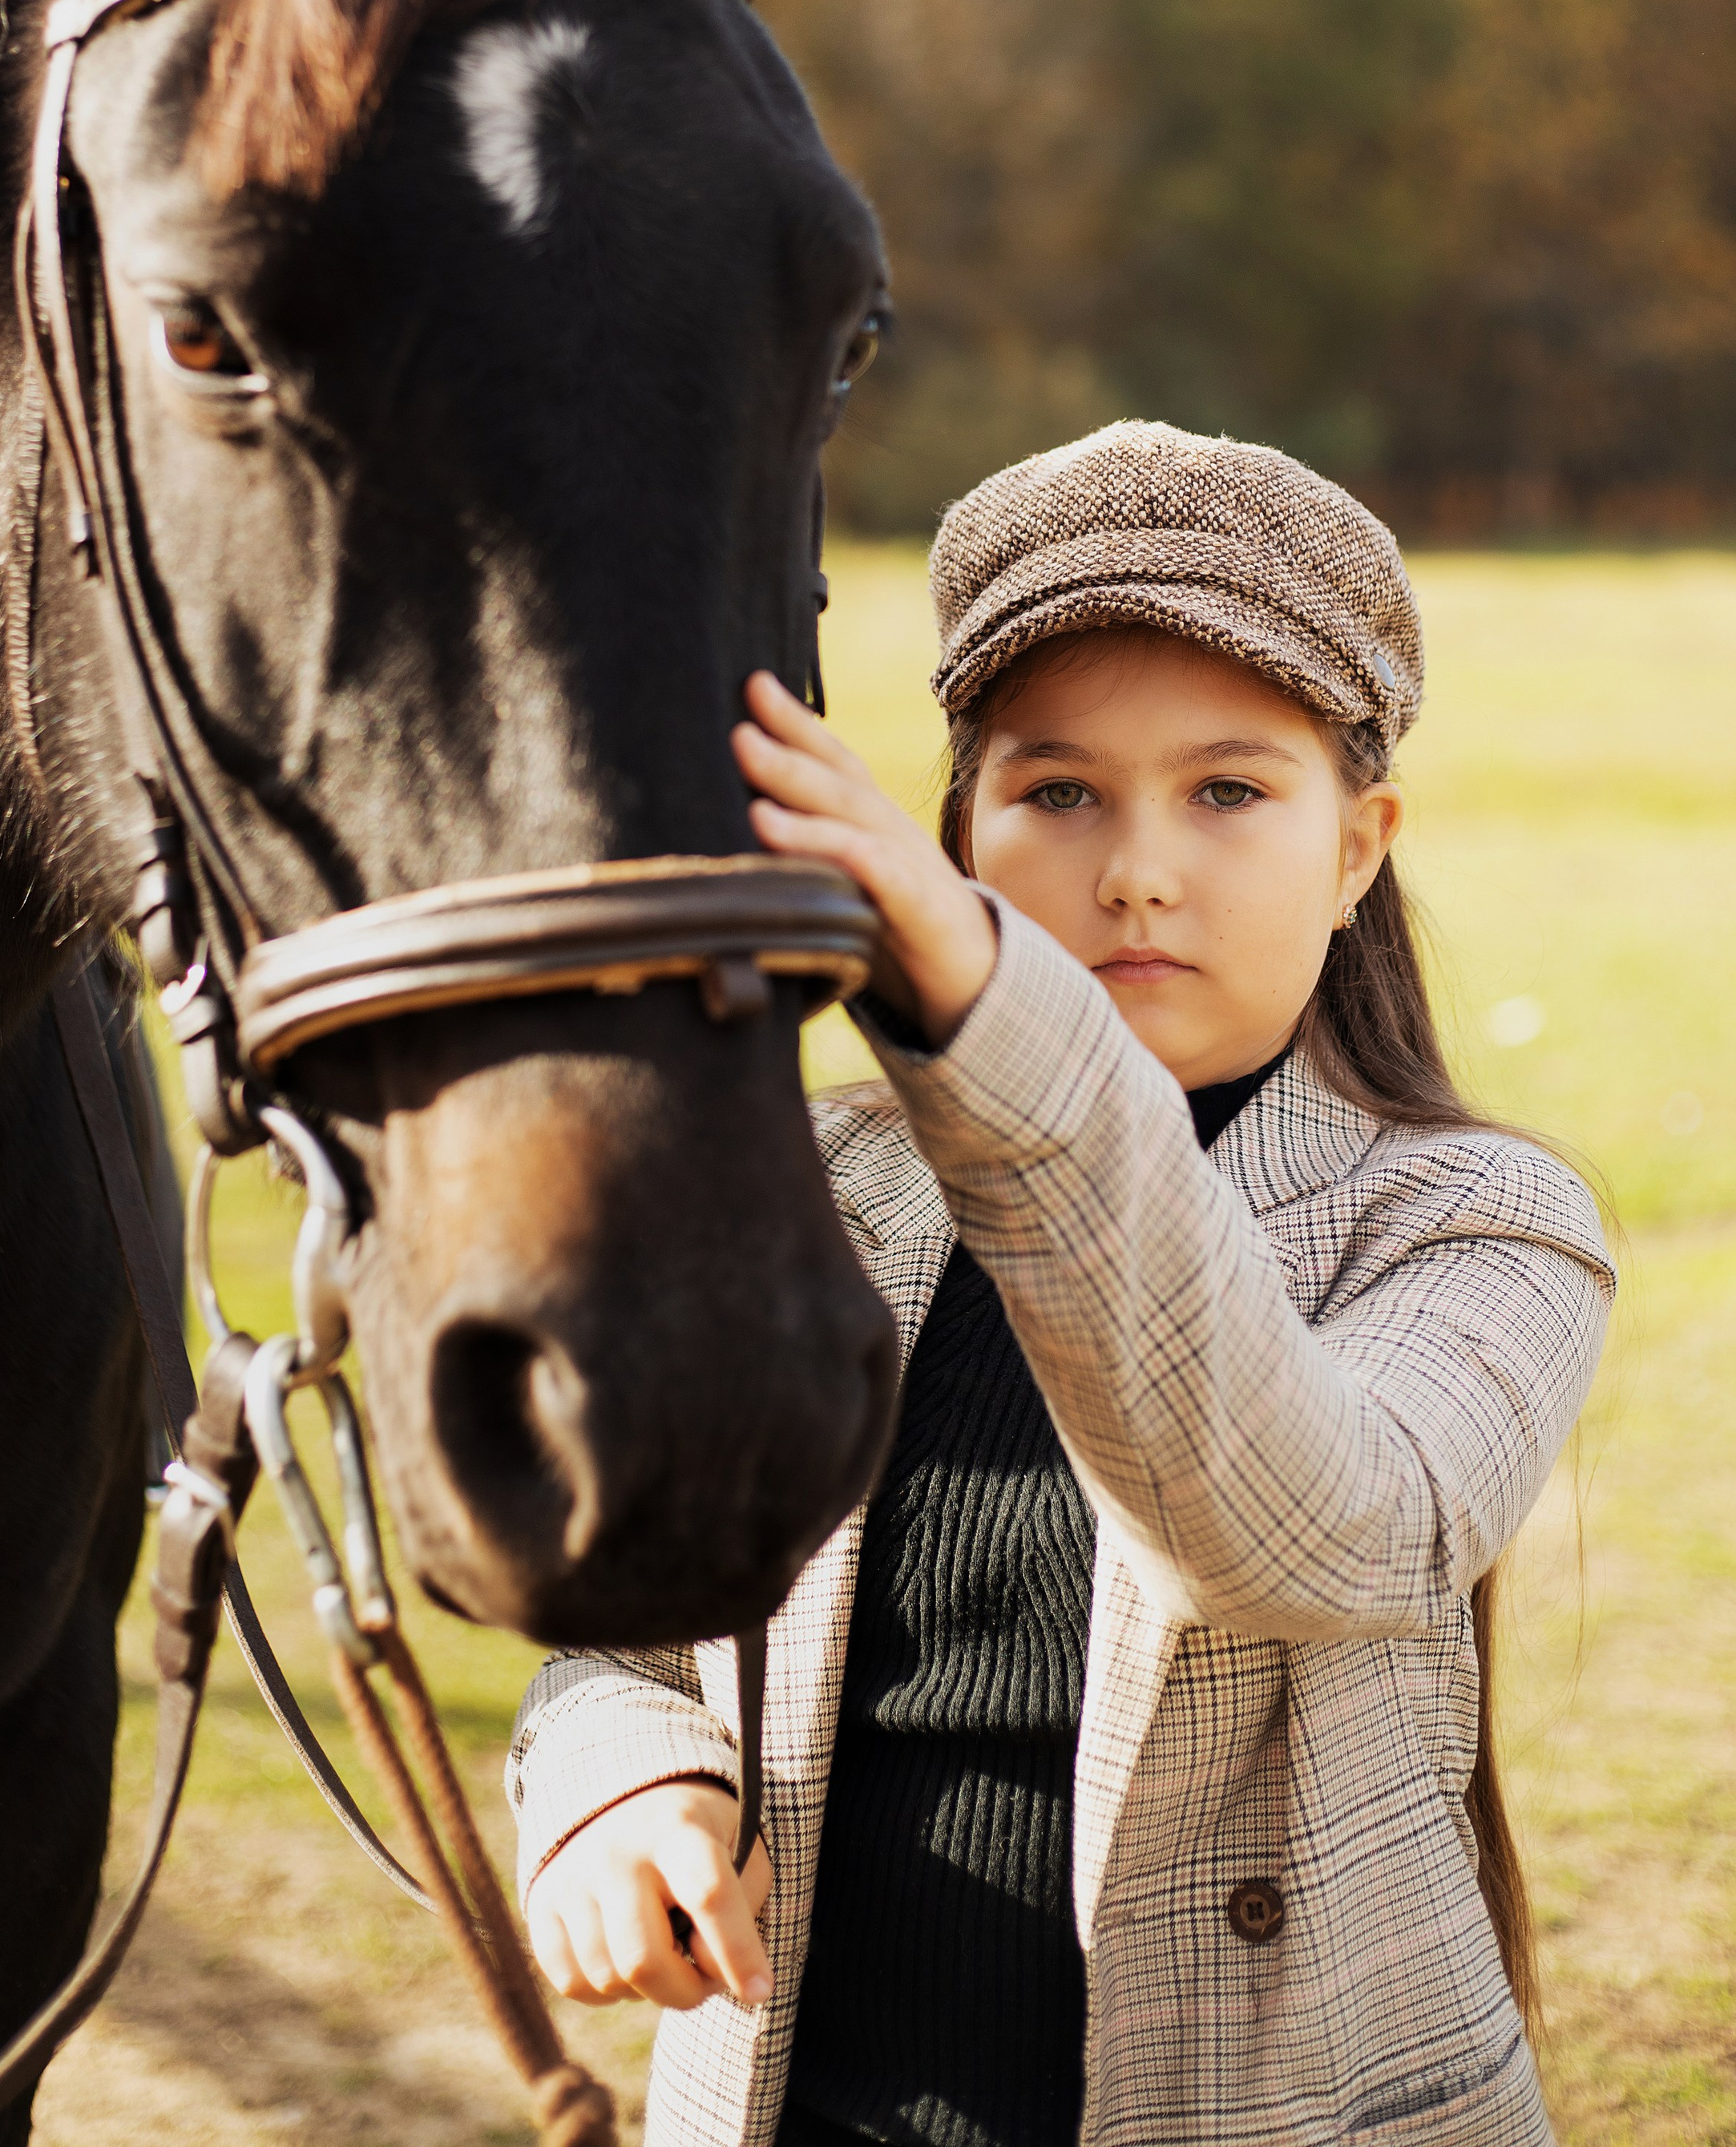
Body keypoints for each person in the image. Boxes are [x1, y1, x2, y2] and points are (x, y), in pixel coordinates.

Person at [507, 422, 1611, 2147]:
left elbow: (1318, 1536)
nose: (1133, 871)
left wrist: (993, 1029)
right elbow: (629, 1626)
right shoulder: (818, 1184)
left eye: (1228, 791)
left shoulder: (1476, 1217)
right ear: (955, 834)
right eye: (1055, 791)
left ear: (1356, 847)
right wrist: (616, 1779)